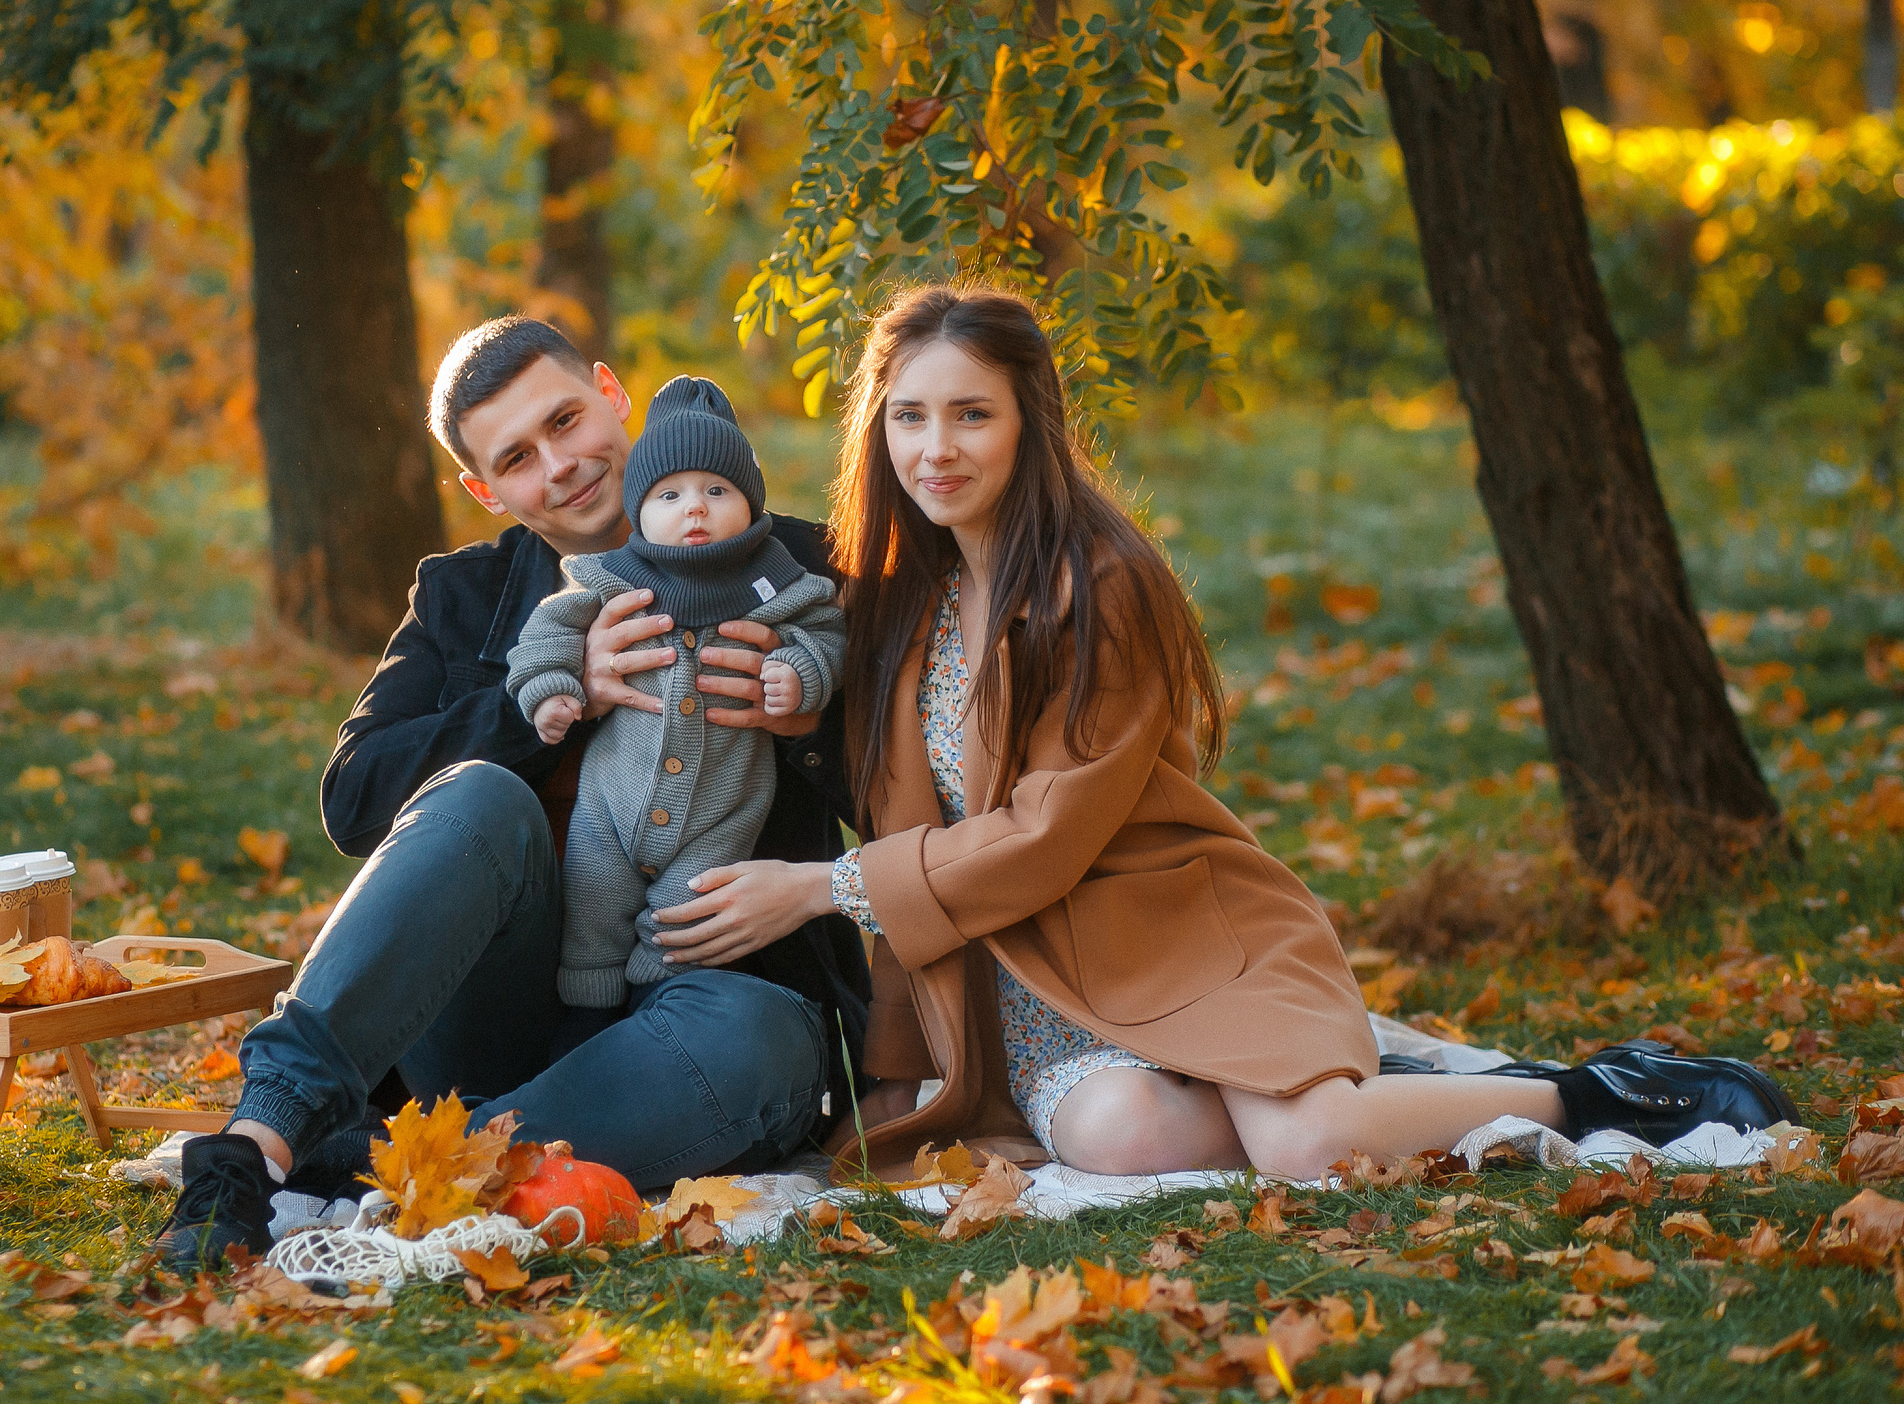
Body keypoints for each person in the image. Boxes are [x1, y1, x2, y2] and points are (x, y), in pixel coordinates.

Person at [643, 283, 1796, 1180]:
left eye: (970, 414)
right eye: (908, 416)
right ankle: (1369, 1064)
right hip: (1031, 990)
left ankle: (1600, 1091)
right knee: (1122, 1140)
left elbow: (1042, 838)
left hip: (1170, 932)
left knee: (1306, 1150)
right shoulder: (896, 594)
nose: (935, 447)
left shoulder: (1100, 585)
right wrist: (905, 1074)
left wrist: (813, 889)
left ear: (1029, 422)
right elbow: (909, 834)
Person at [152, 319, 868, 1271]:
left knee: (761, 1035)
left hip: (701, 1011)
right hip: (502, 1016)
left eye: (567, 419)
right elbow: (354, 795)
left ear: (612, 393)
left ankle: (379, 1164)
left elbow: (922, 792)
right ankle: (253, 1146)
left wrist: (804, 727)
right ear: (486, 490)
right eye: (519, 458)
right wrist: (531, 714)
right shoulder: (466, 596)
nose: (563, 464)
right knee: (481, 792)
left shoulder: (800, 567)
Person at [507, 376, 847, 1011]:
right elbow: (548, 630)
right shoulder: (615, 578)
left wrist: (800, 676)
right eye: (670, 494)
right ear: (639, 513)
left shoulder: (776, 579)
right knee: (591, 915)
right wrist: (554, 687)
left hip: (723, 811)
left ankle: (655, 1014)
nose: (695, 508)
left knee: (687, 926)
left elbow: (825, 631)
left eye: (717, 490)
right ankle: (587, 1014)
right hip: (609, 810)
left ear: (752, 504)